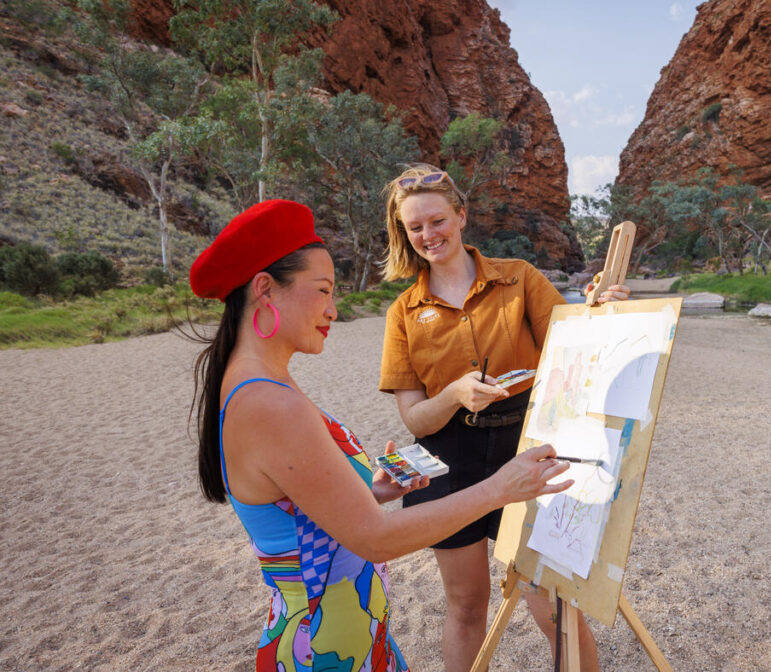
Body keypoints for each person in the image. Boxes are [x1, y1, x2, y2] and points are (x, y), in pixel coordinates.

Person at [189, 198, 572, 671]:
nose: (333, 309)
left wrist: (372, 489)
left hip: (345, 635)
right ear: (266, 289)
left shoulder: (260, 384)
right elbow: (377, 540)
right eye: (324, 290)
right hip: (325, 648)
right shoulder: (267, 401)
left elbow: (299, 504)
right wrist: (500, 488)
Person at [378, 165, 630, 671]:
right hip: (447, 461)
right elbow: (417, 419)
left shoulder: (519, 278)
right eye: (415, 227)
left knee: (552, 601)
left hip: (528, 443)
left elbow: (574, 345)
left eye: (437, 220)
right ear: (404, 234)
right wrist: (451, 394)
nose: (429, 234)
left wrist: (596, 308)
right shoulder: (403, 311)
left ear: (461, 215)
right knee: (468, 606)